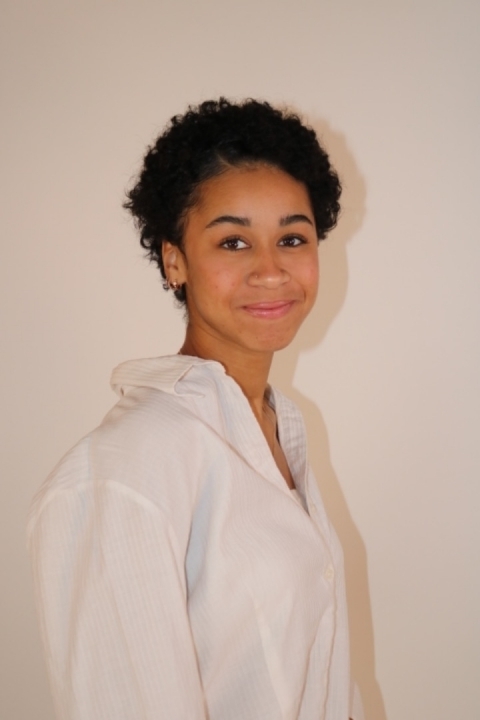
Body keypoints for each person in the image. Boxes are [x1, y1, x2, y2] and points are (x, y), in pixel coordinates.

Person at [28, 98, 363, 720]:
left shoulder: (279, 427)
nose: (271, 270)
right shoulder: (123, 472)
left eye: (292, 238)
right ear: (174, 260)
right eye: (233, 242)